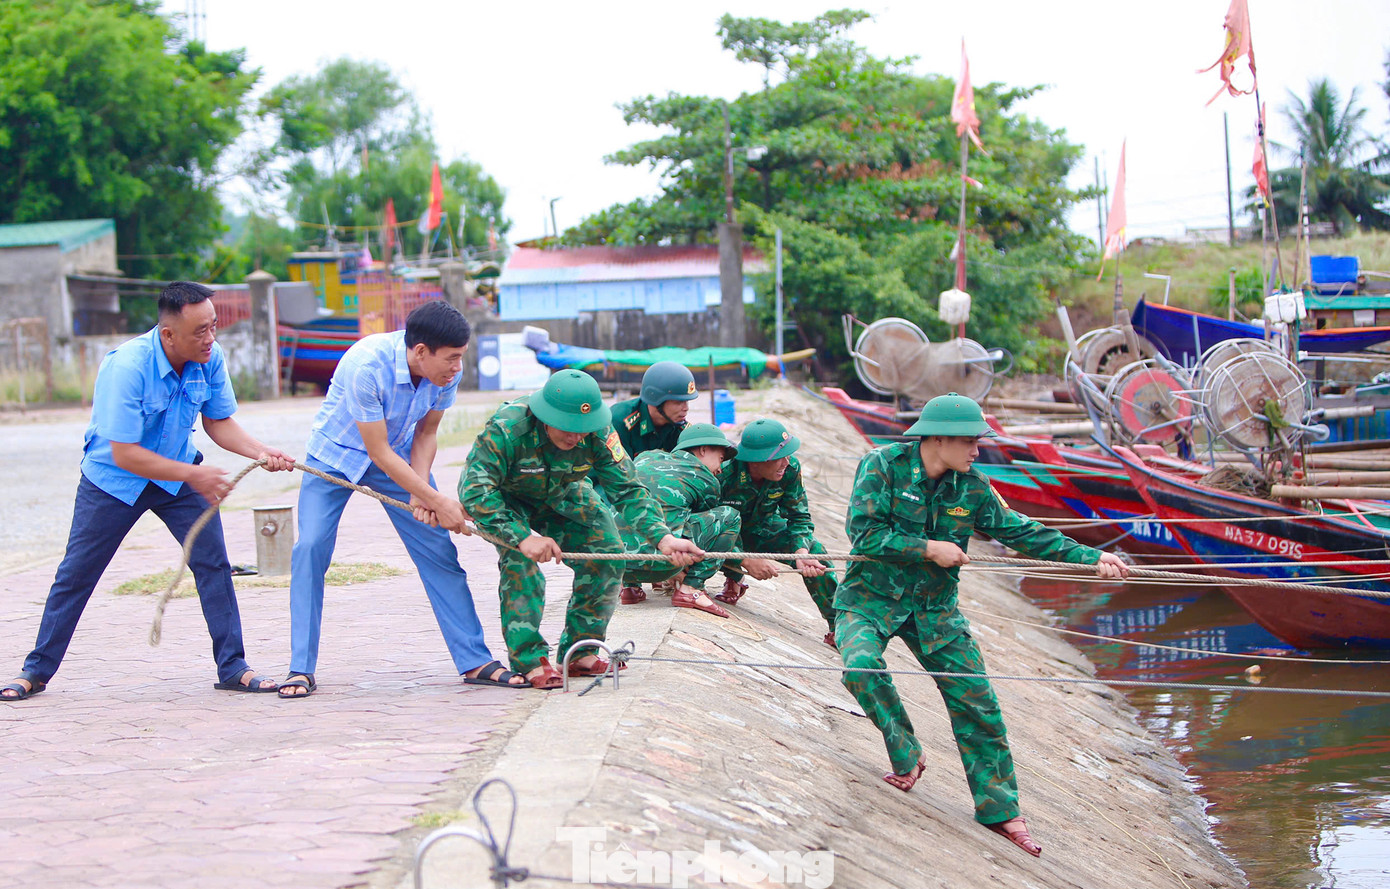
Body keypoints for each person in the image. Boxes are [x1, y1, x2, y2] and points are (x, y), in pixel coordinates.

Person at [835, 392, 1130, 857]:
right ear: (937, 438)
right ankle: (907, 752)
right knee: (860, 665)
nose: (977, 450)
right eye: (970, 441)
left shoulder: (972, 487)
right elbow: (864, 533)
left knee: (979, 704)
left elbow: (1021, 531)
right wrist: (930, 547)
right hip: (868, 598)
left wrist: (1093, 557)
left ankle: (1001, 812)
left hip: (935, 611)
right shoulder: (882, 465)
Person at [1, 282, 294, 701]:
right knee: (76, 575)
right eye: (199, 331)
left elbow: (218, 422)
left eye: (213, 327)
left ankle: (233, 667)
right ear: (168, 334)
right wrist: (195, 475)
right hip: (114, 482)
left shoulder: (209, 357)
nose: (209, 338)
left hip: (176, 479)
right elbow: (125, 454)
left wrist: (263, 451)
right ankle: (36, 671)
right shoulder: (127, 367)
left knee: (213, 564)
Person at [280, 300, 524, 699]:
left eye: (461, 358)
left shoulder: (445, 374)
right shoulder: (366, 366)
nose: (457, 367)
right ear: (421, 351)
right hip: (337, 455)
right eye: (452, 359)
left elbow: (426, 435)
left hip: (400, 456)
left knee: (438, 550)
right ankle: (300, 668)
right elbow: (375, 451)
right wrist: (438, 500)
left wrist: (418, 492)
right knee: (310, 548)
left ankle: (475, 660)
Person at [459, 369, 703, 689]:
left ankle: (580, 651)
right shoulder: (508, 428)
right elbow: (475, 491)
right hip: (508, 501)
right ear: (545, 416)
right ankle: (530, 660)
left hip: (564, 493)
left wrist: (663, 537)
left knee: (609, 554)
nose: (575, 437)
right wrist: (522, 537)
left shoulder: (599, 430)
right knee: (521, 563)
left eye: (582, 430)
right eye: (567, 429)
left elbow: (628, 489)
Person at [717, 418, 839, 645]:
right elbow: (702, 529)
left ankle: (839, 626)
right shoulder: (723, 472)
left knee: (815, 552)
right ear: (755, 460)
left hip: (762, 527)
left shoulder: (790, 469)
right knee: (717, 533)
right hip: (723, 533)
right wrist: (744, 560)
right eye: (778, 457)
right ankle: (725, 580)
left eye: (787, 454)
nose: (786, 461)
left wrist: (800, 552)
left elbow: (799, 517)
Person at [618, 423, 741, 617]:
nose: (720, 469)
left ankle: (630, 589)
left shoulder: (645, 457)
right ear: (703, 450)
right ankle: (691, 589)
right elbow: (709, 535)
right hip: (661, 564)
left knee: (633, 512)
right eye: (721, 458)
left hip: (617, 563)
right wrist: (743, 563)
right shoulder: (707, 480)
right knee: (730, 516)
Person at [612, 361, 698, 605]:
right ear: (655, 399)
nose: (686, 408)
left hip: (652, 497)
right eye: (679, 401)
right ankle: (629, 579)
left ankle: (666, 570)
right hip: (612, 492)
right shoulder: (620, 421)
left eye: (688, 400)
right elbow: (617, 481)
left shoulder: (681, 429)